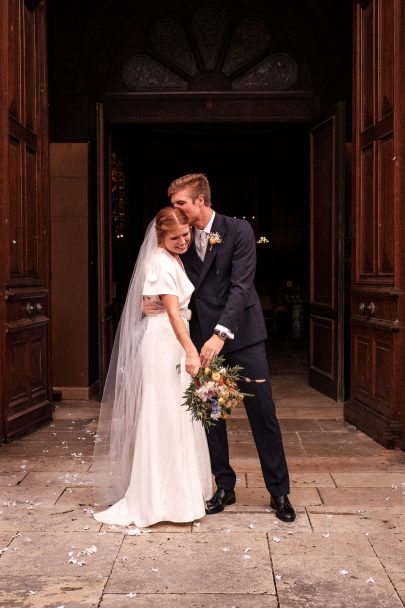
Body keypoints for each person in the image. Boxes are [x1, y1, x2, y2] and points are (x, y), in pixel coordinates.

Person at [146, 173, 295, 522]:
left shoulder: (238, 230)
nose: (176, 208)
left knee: (263, 414)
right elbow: (167, 283)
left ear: (200, 200)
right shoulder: (179, 240)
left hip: (242, 337)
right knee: (211, 416)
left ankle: (279, 492)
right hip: (201, 341)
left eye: (180, 202)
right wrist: (152, 303)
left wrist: (220, 334)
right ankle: (224, 486)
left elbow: (241, 287)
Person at [92, 207, 212, 528]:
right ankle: (160, 499)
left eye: (186, 234)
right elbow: (173, 314)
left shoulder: (172, 258)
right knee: (163, 415)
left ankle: (175, 496)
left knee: (175, 415)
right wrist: (190, 350)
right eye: (175, 237)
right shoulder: (159, 261)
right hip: (166, 342)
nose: (183, 241)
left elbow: (164, 306)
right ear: (160, 236)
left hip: (171, 338)